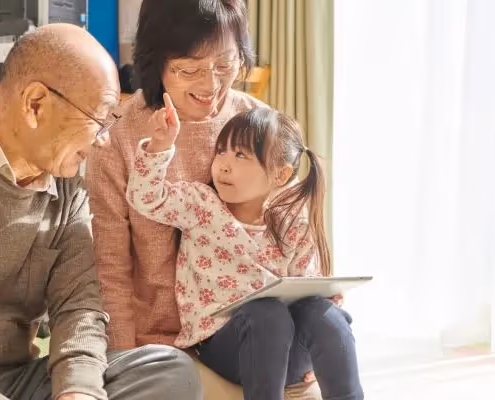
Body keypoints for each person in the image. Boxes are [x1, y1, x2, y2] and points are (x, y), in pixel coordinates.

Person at [0, 24, 201, 400]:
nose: (103, 138)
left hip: (22, 382)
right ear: (35, 104)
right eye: (99, 118)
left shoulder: (68, 187)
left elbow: (79, 307)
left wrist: (79, 392)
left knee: (168, 370)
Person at [126, 96, 364, 400]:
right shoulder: (202, 205)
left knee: (323, 312)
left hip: (288, 351)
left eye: (240, 155)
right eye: (221, 152)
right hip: (226, 348)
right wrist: (159, 146)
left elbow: (307, 290)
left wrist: (323, 349)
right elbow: (146, 197)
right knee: (265, 314)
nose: (223, 164)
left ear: (280, 174)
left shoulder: (292, 222)